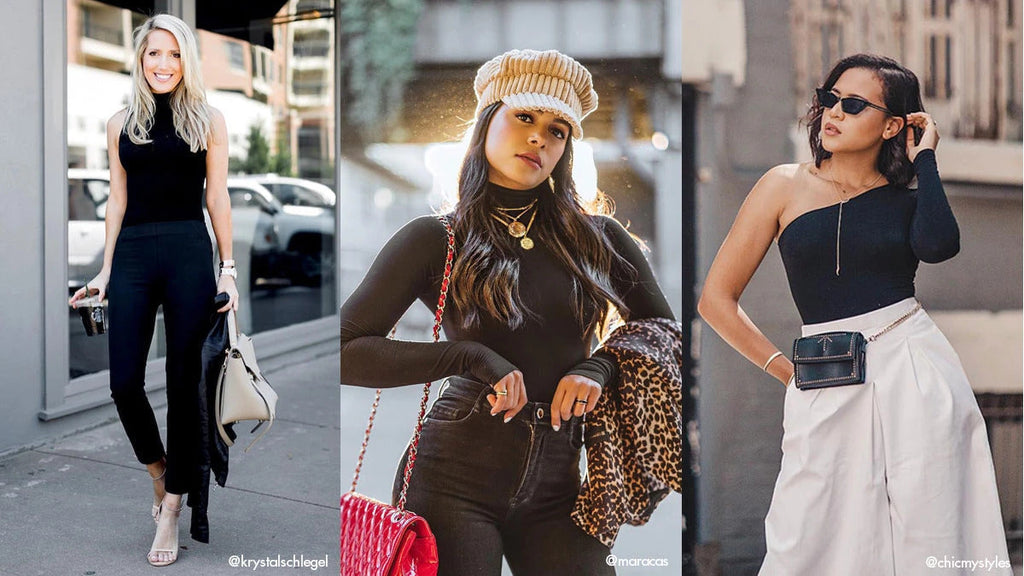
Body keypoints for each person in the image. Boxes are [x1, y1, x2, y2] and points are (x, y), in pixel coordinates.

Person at [340, 49, 676, 575]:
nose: (539, 137)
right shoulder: (437, 239)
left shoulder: (598, 239)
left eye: (558, 129)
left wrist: (600, 365)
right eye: (525, 117)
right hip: (452, 478)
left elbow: (664, 333)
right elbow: (346, 350)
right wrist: (467, 356)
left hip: (562, 484)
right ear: (487, 121)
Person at [698, 53, 1011, 575]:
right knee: (808, 535)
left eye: (853, 104)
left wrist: (927, 159)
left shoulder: (907, 199)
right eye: (828, 99)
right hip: (827, 373)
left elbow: (939, 245)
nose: (833, 113)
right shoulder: (782, 184)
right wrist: (787, 372)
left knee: (932, 526)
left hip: (912, 363)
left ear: (893, 124)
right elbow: (716, 300)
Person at [68, 14, 237, 568]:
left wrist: (228, 268)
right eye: (152, 55)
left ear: (187, 60)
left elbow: (219, 199)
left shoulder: (208, 120)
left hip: (190, 251)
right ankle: (161, 474)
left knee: (183, 384)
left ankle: (171, 509)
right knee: (122, 382)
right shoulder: (120, 122)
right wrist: (104, 271)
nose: (163, 65)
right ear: (140, 61)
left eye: (173, 55)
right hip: (136, 255)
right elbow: (116, 200)